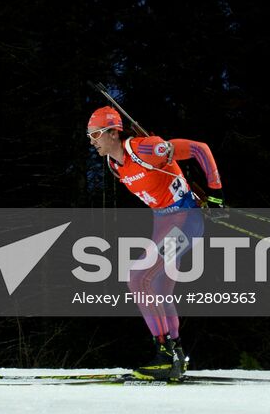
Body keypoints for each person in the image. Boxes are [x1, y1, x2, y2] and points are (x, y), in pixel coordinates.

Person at [86, 105, 224, 382]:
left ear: (114, 132)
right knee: (160, 288)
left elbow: (200, 149)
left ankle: (163, 356)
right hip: (163, 224)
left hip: (185, 222)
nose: (92, 141)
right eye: (89, 136)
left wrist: (216, 194)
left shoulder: (145, 149)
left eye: (97, 134)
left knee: (138, 279)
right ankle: (175, 359)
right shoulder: (115, 165)